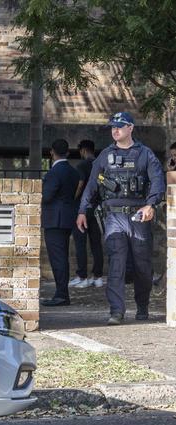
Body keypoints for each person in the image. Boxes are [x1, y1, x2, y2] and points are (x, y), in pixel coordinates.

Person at [77, 112, 166, 325]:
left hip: (138, 216)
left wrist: (150, 204)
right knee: (116, 263)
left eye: (120, 126)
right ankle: (116, 311)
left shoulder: (145, 154)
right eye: (113, 127)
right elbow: (92, 185)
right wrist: (82, 210)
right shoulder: (105, 156)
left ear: (131, 128)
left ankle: (142, 305)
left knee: (142, 265)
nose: (115, 130)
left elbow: (157, 181)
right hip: (113, 216)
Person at [41, 139, 81, 306]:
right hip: (67, 217)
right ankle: (62, 293)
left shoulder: (53, 173)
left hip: (54, 219)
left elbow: (47, 196)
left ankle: (61, 295)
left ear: (52, 152)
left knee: (57, 258)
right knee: (62, 257)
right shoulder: (73, 172)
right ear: (68, 153)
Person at [69, 139, 104, 288]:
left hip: (82, 210)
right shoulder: (100, 165)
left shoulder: (82, 165)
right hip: (97, 210)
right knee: (96, 244)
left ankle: (82, 276)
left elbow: (80, 184)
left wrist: (73, 199)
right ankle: (98, 277)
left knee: (80, 243)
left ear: (83, 150)